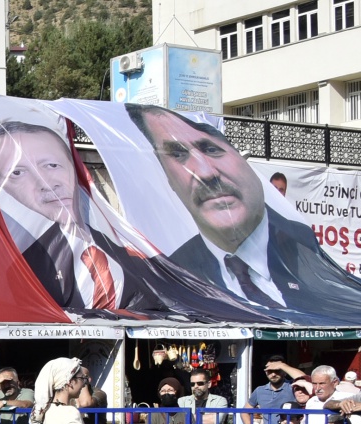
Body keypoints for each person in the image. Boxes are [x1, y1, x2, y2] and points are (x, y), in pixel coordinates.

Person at [128, 104, 361, 322]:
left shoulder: (302, 245)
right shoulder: (173, 273)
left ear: (244, 159)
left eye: (211, 149)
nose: (205, 173)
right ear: (166, 177)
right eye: (178, 155)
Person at [0, 121, 227, 317]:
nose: (45, 184)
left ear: (74, 169)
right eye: (17, 173)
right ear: (0, 188)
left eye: (52, 166)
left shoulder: (134, 249)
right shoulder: (18, 270)